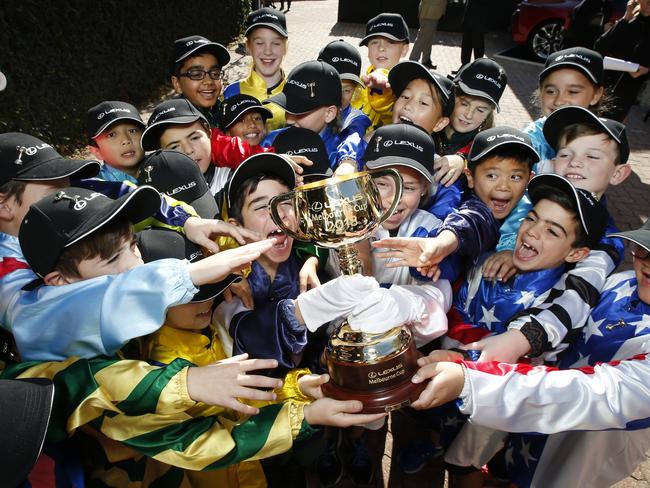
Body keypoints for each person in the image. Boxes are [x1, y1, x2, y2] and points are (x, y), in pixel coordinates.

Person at [410, 217, 650, 487]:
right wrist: (470, 361)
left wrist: (471, 382)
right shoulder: (620, 282)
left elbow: (594, 393)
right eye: (644, 249)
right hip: (528, 423)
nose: (648, 264)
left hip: (580, 451)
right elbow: (557, 336)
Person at [438, 173, 609, 487]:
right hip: (452, 393)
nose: (532, 232)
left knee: (464, 465)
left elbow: (537, 332)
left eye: (553, 231)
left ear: (575, 254)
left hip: (495, 408)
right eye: (532, 218)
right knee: (447, 438)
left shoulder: (559, 301)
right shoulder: (491, 262)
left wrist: (450, 357)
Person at [473, 106, 631, 365]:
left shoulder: (606, 239)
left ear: (618, 173)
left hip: (519, 354)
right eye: (565, 153)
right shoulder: (537, 194)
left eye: (592, 156)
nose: (575, 162)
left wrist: (523, 338)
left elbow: (578, 294)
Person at [373, 126, 538, 282]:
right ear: (470, 177)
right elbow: (472, 219)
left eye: (515, 177)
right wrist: (438, 248)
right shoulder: (455, 199)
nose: (503, 186)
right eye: (491, 176)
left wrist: (513, 252)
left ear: (530, 179)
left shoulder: (535, 214)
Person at [224, 7, 289, 131]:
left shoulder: (296, 91)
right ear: (248, 47)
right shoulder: (231, 93)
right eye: (259, 43)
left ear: (285, 47)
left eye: (276, 43)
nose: (268, 51)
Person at [317, 39, 372, 173]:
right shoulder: (304, 110)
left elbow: (353, 136)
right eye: (332, 87)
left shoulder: (355, 118)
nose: (339, 96)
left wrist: (348, 162)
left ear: (355, 91)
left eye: (347, 90)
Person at [353, 13, 411, 130]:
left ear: (404, 49)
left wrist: (382, 91)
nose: (381, 48)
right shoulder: (358, 82)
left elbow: (388, 111)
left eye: (390, 42)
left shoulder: (407, 88)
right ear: (368, 49)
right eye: (374, 42)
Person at [594, 0, 650, 121]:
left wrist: (647, 71)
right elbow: (600, 46)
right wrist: (625, 18)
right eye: (647, 1)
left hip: (628, 90)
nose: (649, 6)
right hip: (605, 83)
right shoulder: (629, 20)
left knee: (609, 127)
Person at [169, 35, 230, 127]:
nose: (209, 81)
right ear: (177, 84)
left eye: (215, 74)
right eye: (196, 74)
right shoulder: (174, 127)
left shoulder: (225, 112)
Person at [86, 100, 145, 183]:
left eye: (132, 131)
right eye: (111, 135)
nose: (126, 140)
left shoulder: (164, 165)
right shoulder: (94, 187)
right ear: (96, 151)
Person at [409, 0, 448, 68]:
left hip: (431, 12)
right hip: (430, 12)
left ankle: (425, 60)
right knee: (423, 37)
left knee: (428, 37)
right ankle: (413, 60)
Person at [459, 0, 489, 67]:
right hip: (468, 19)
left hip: (479, 21)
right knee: (466, 44)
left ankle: (478, 67)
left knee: (478, 46)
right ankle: (464, 66)